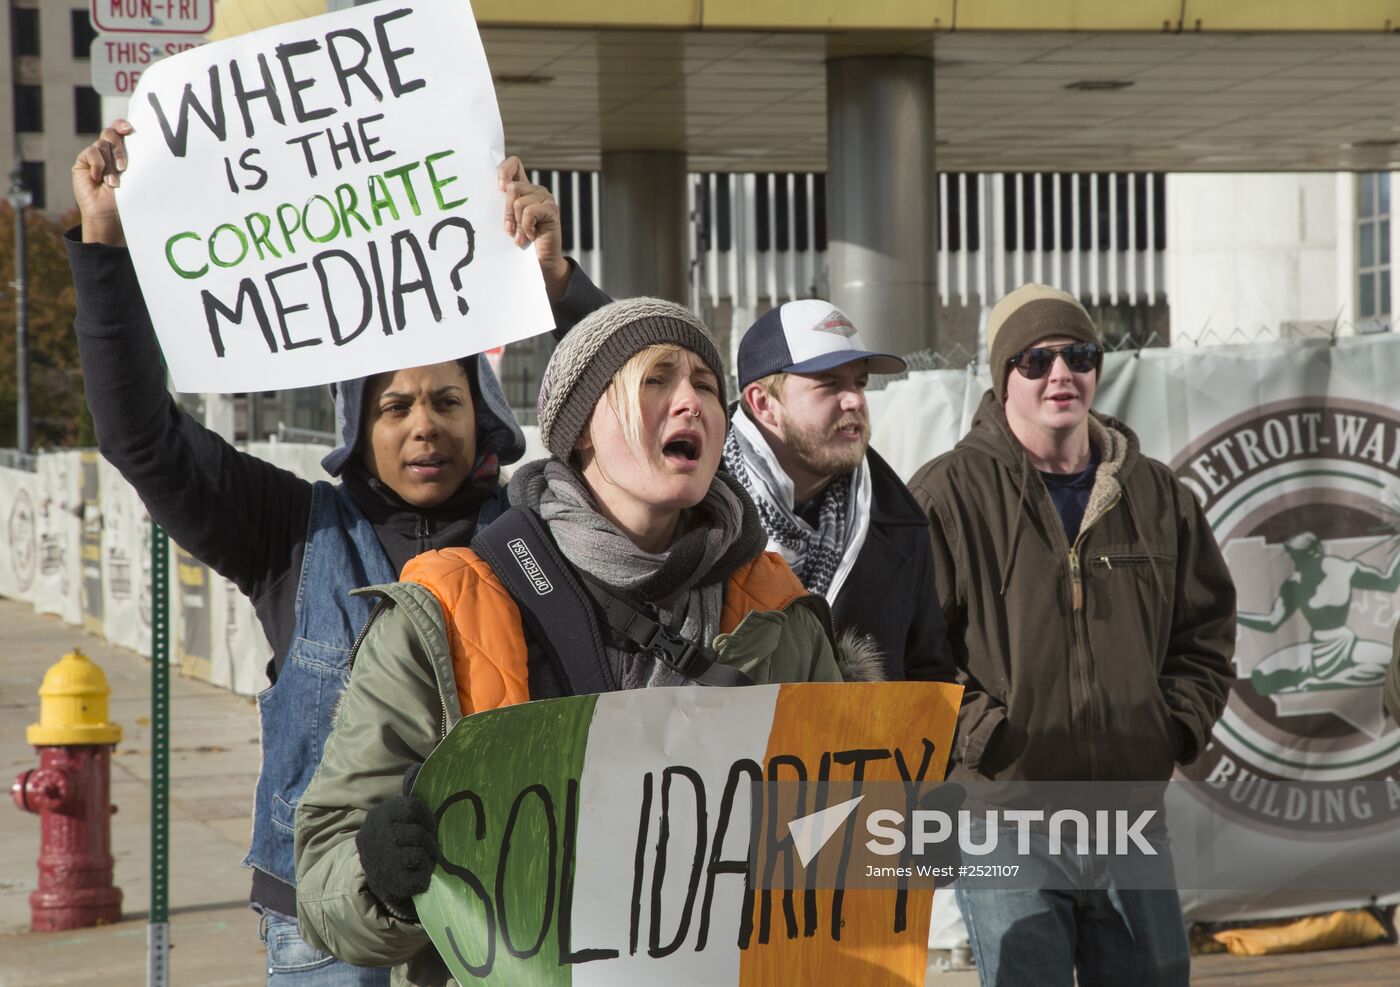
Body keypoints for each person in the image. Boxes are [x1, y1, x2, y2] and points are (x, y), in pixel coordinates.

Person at [69, 119, 608, 985]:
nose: (423, 423)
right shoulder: (293, 531)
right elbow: (142, 437)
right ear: (358, 430)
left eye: (445, 400)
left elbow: (644, 418)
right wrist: (106, 246)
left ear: (486, 423)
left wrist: (559, 283)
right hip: (325, 933)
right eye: (393, 406)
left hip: (507, 917)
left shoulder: (545, 528)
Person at [294, 299, 849, 981]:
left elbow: (840, 850)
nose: (691, 402)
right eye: (656, 379)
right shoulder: (441, 612)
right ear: (581, 426)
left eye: (706, 384)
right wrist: (377, 874)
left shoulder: (781, 615)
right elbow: (323, 877)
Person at [906, 283, 1237, 987]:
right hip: (1004, 815)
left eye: (1078, 354)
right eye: (1036, 359)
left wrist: (1171, 725)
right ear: (1005, 377)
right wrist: (984, 736)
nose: (1061, 373)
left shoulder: (1156, 494)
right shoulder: (946, 495)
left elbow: (1204, 630)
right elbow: (913, 652)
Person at [721, 299, 954, 683]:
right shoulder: (696, 511)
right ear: (763, 404)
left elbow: (927, 675)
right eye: (829, 384)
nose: (856, 400)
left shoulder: (899, 521)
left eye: (859, 383)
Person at [1238, 531, 1399, 694]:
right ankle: (1328, 678)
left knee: (1393, 668)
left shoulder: (1343, 569)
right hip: (1314, 649)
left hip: (1348, 645)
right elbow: (1271, 623)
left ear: (1315, 551)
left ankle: (1326, 680)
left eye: (1297, 557)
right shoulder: (1294, 582)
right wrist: (1235, 617)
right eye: (1293, 557)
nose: (1295, 563)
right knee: (1260, 676)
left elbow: (1389, 583)